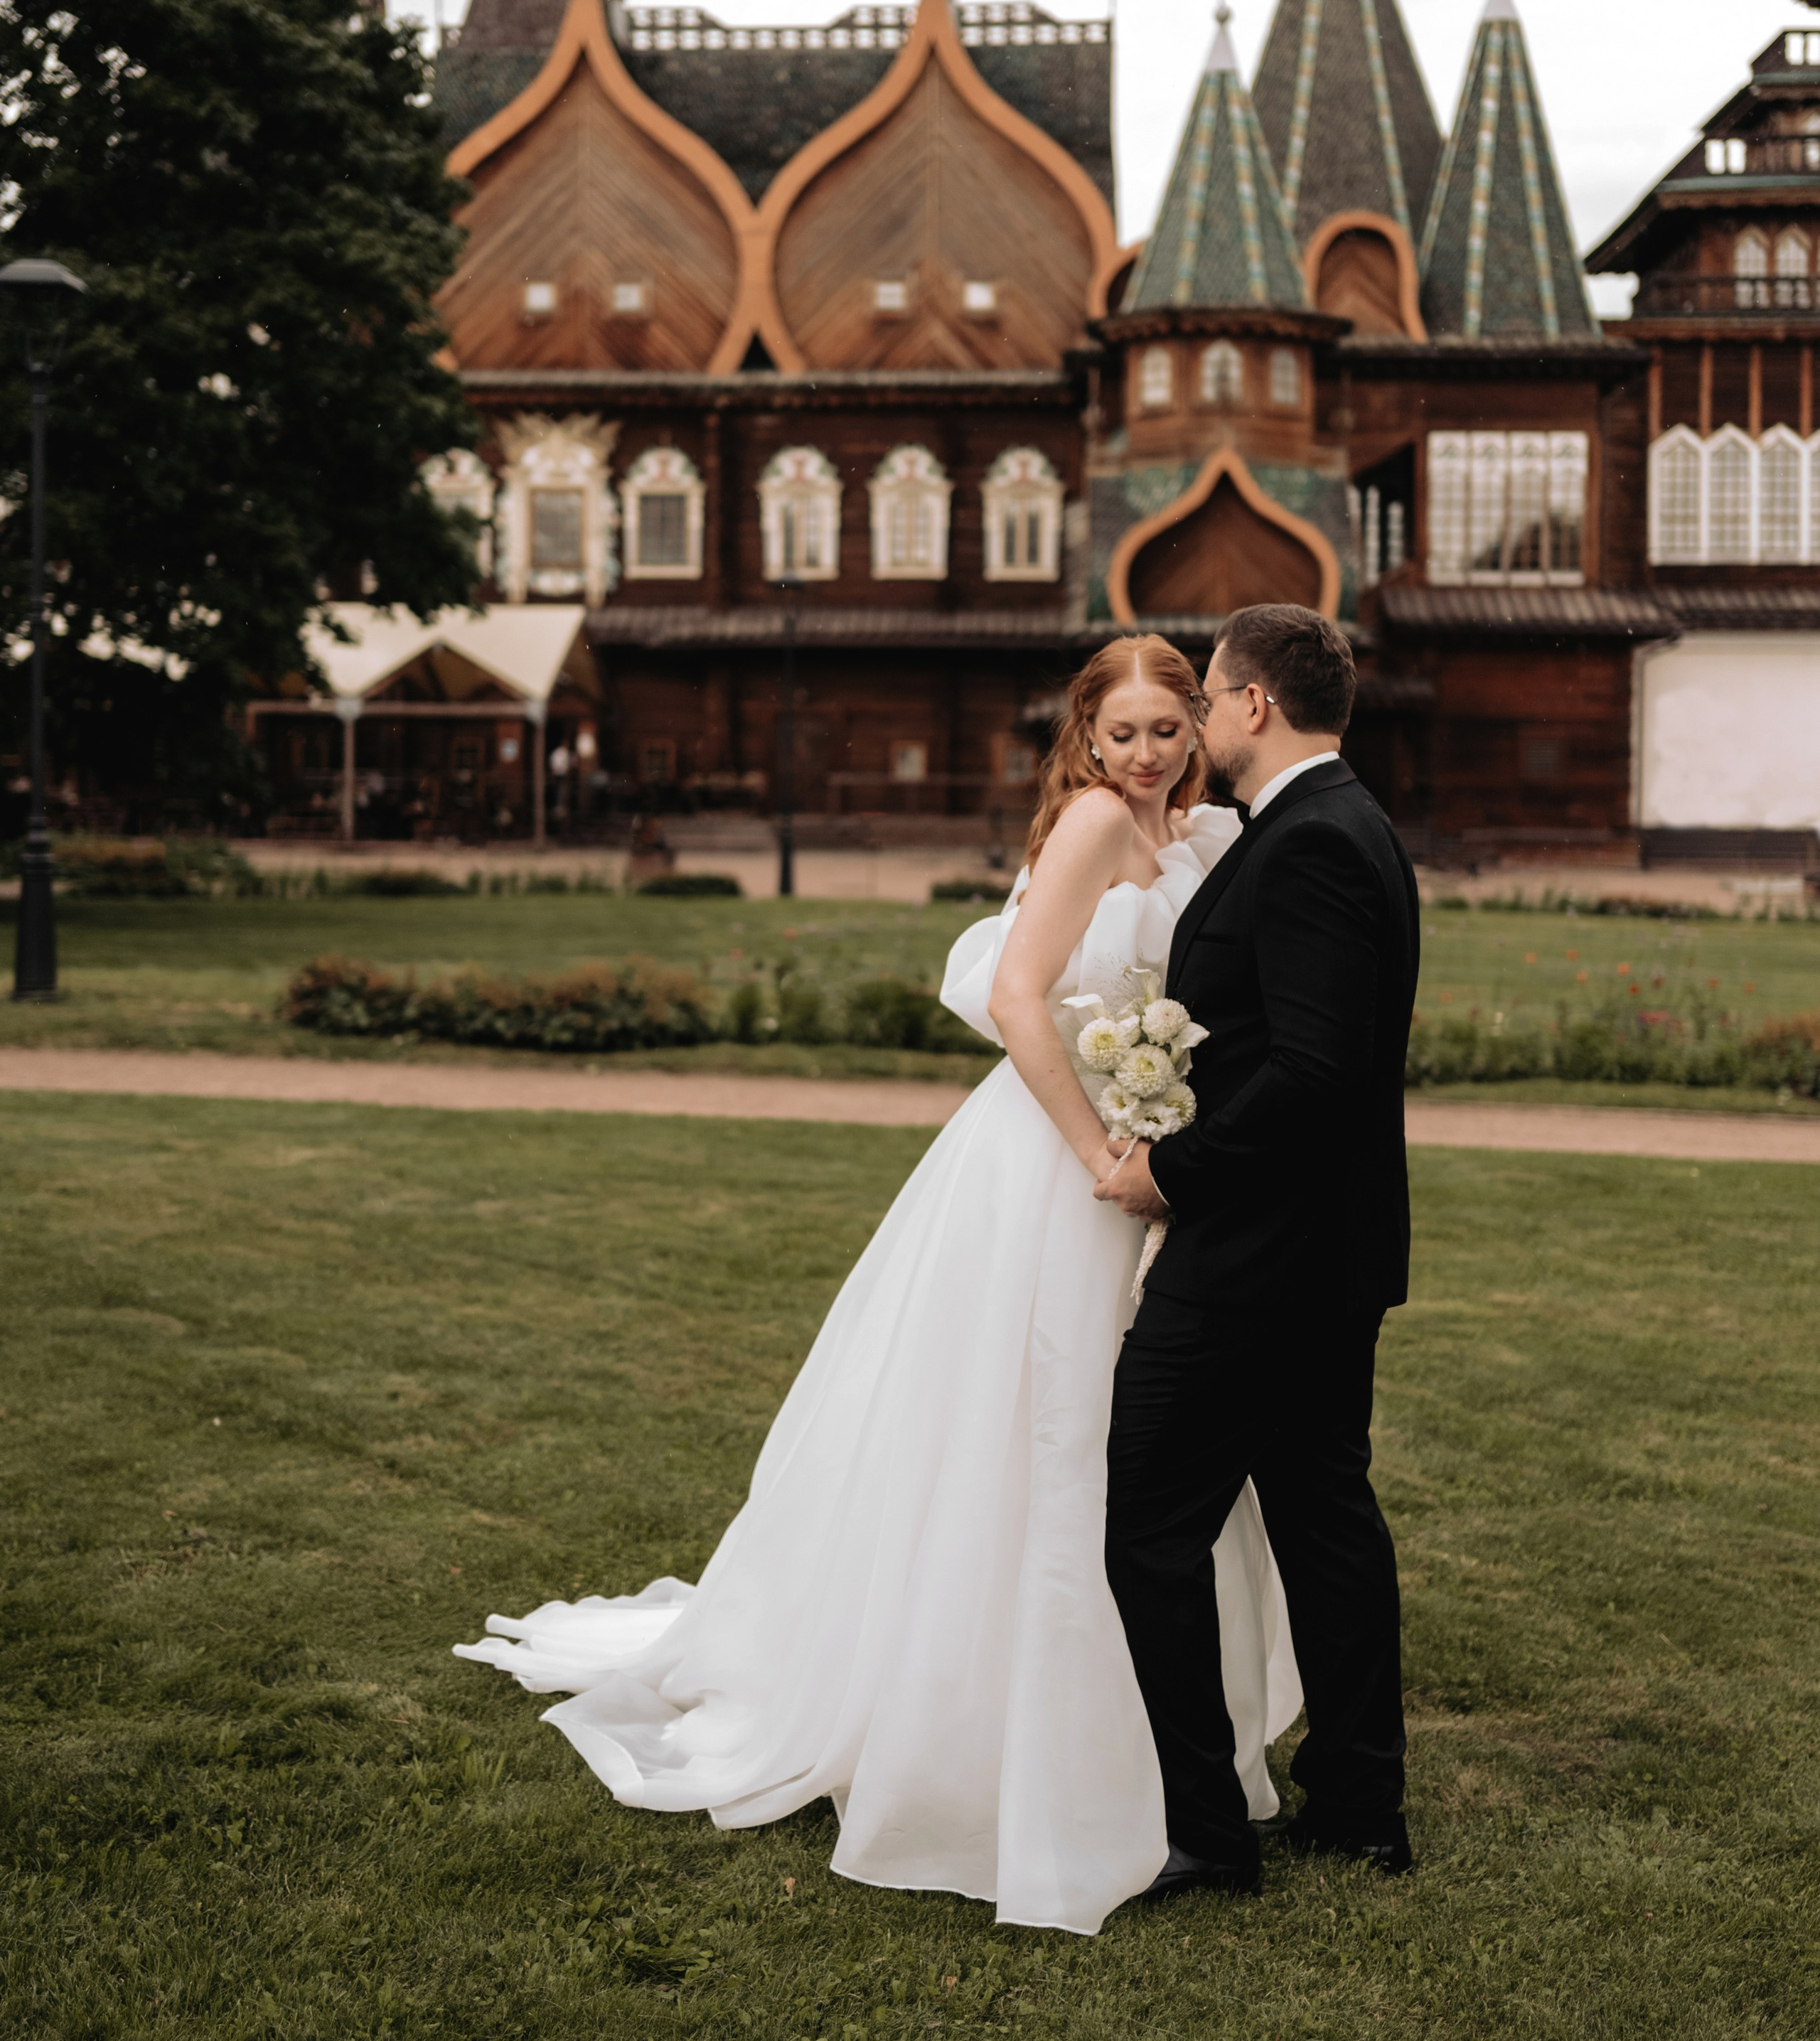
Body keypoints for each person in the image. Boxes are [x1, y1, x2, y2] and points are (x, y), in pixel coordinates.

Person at [454, 636, 1300, 1935]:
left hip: (1138, 1144)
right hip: (1053, 1152)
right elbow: (1023, 1000)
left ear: (1202, 727)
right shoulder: (1087, 826)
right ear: (1086, 735)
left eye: (1169, 730)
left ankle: (1154, 1738)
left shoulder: (1193, 835)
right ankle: (984, 1726)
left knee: (1124, 1438)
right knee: (1033, 1421)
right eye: (1123, 732)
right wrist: (1101, 1153)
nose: (1146, 753)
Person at [1095, 604, 1420, 1887]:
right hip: (1327, 1253)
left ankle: (1207, 1834)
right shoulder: (1346, 826)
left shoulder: (1313, 843)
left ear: (1253, 706)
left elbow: (1317, 1069)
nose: (1207, 722)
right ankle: (1355, 1805)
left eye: (1214, 699)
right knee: (1325, 1518)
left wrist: (1171, 1167)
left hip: (1260, 1260)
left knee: (1150, 1523)